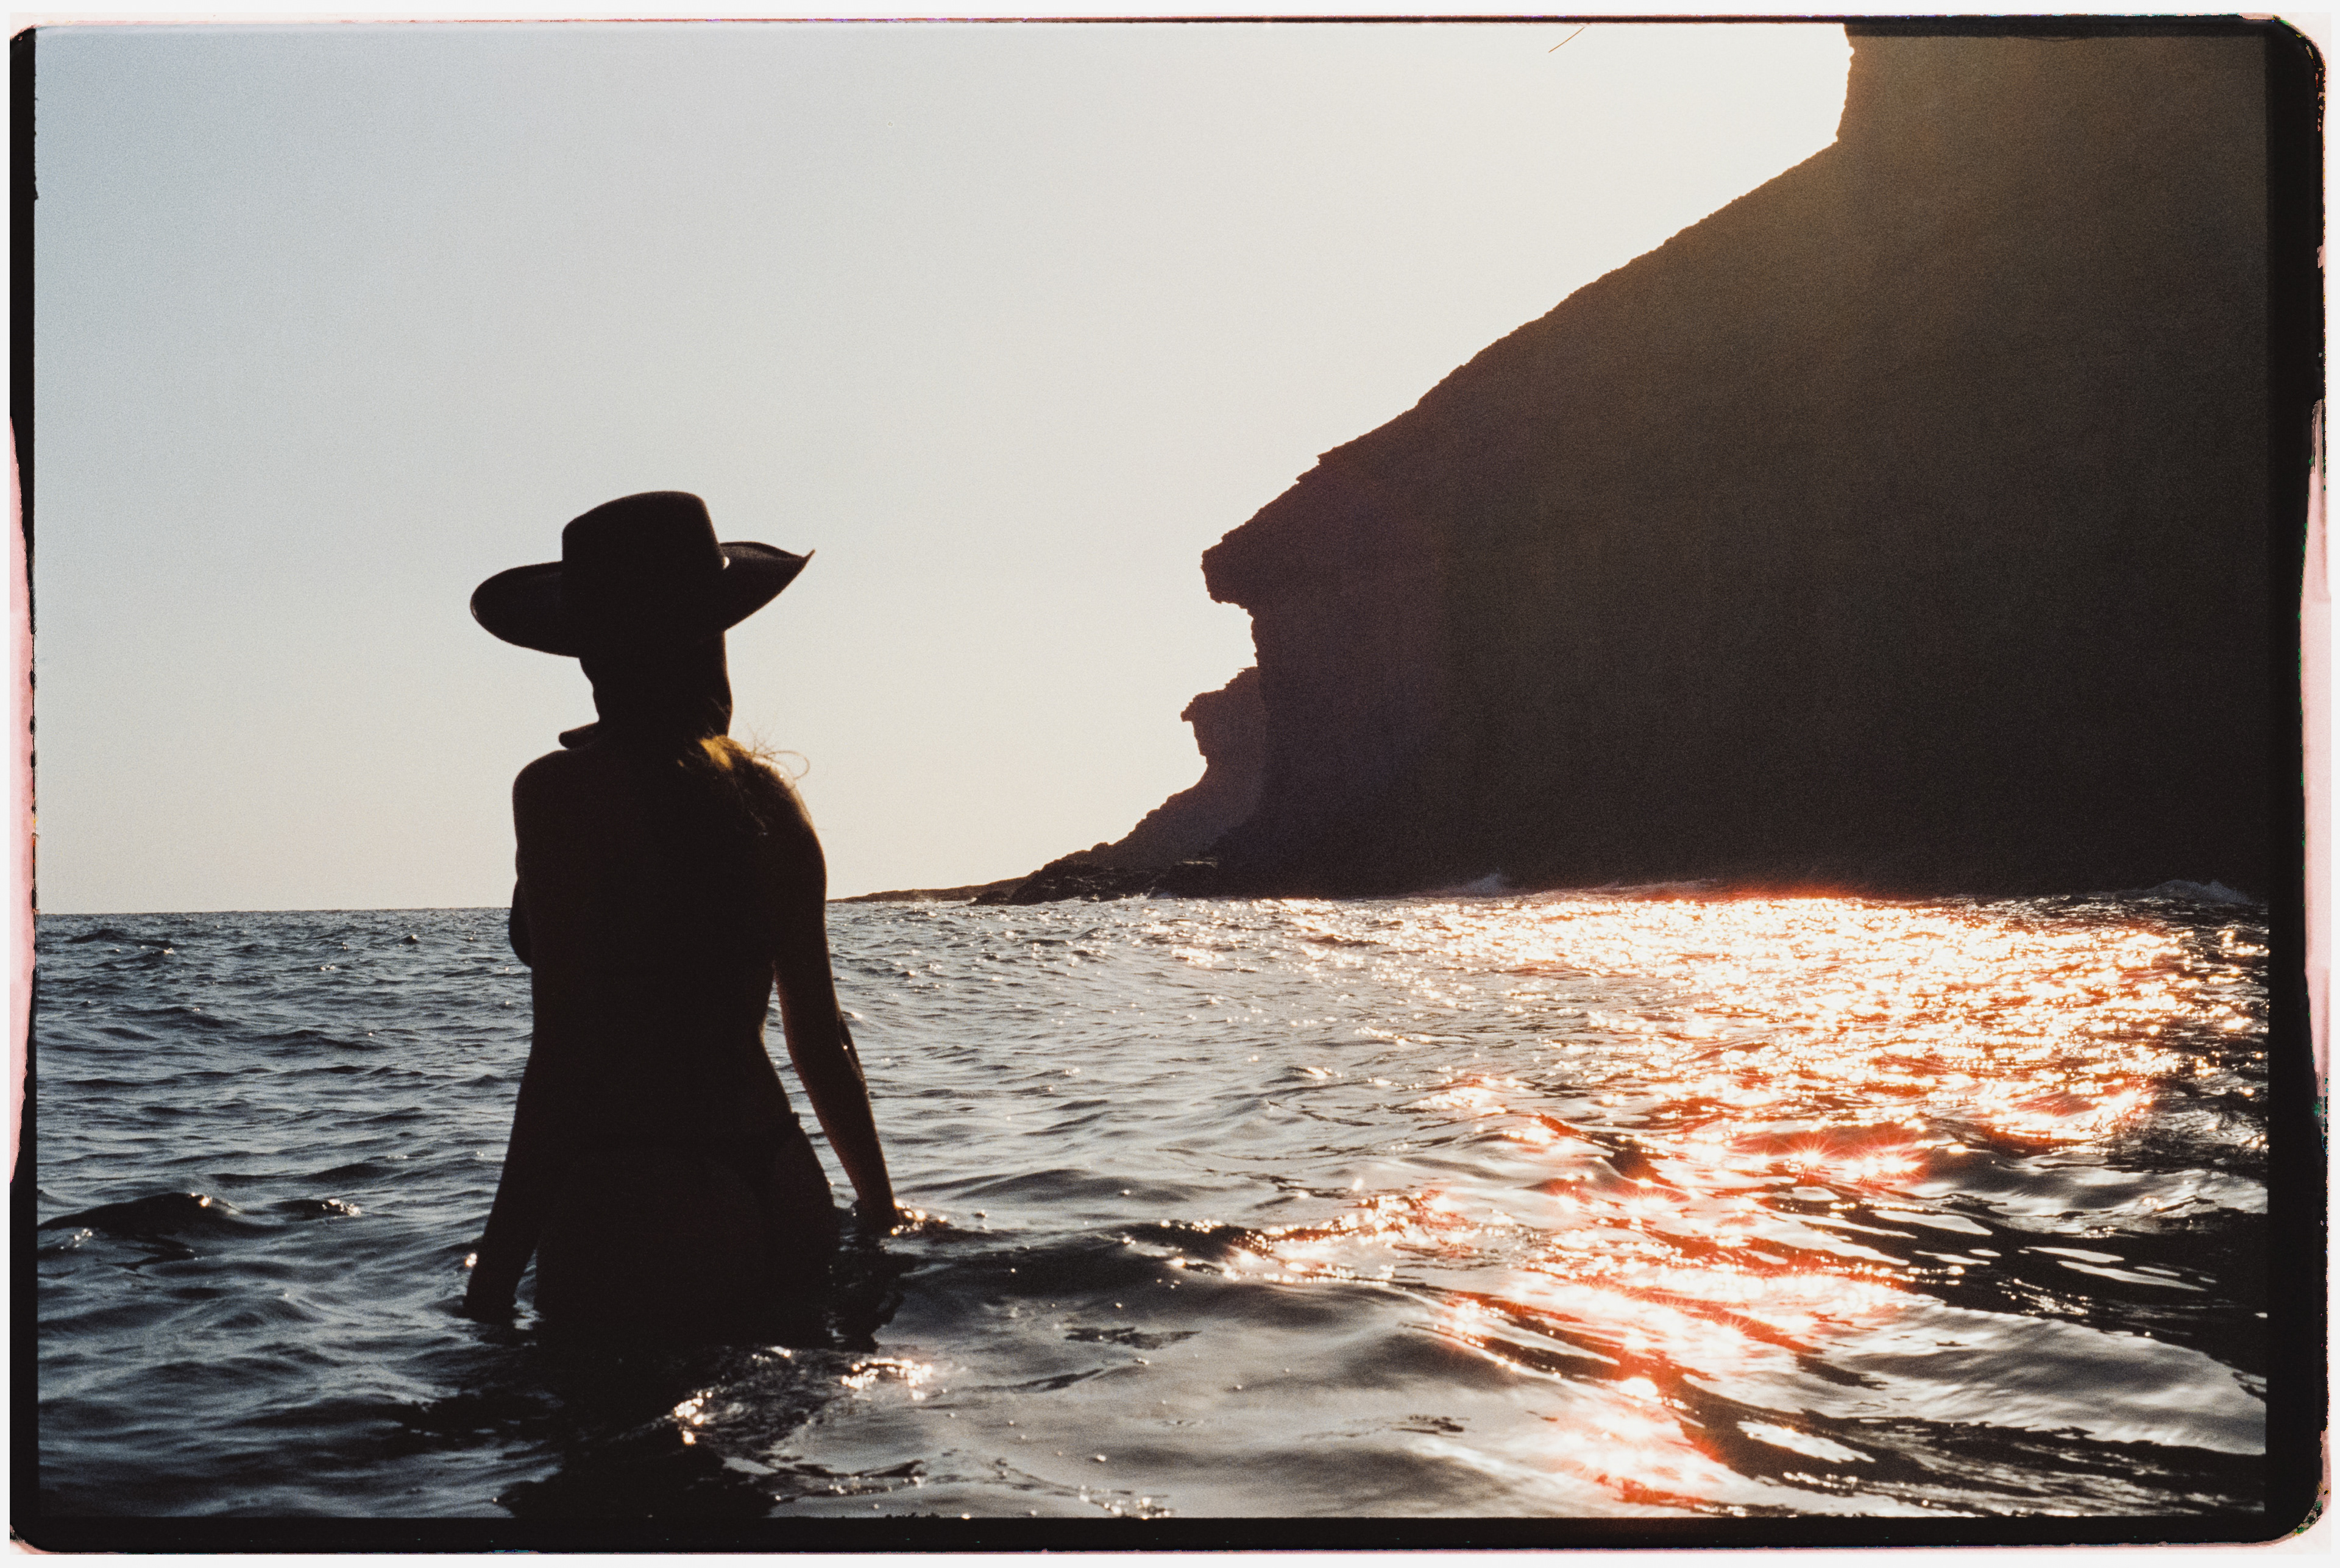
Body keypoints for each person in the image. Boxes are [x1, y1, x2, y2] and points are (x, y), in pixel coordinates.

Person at [458, 491, 896, 1336]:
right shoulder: (769, 797)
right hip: (784, 1181)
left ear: (593, 654)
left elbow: (565, 1056)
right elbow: (821, 1038)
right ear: (713, 638)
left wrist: (492, 1281)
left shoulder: (558, 795)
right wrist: (880, 1209)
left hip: (644, 1193)